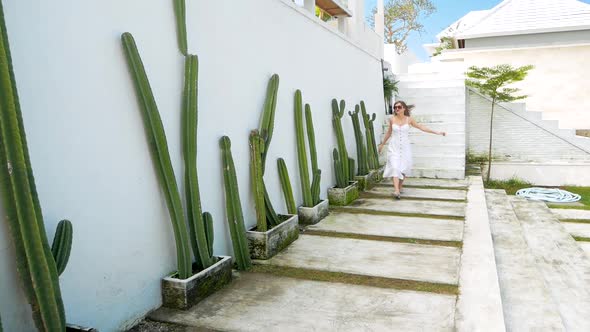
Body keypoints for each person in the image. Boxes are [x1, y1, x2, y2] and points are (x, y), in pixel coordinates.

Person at [378, 101, 446, 200]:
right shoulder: (392, 119)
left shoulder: (409, 120)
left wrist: (437, 132)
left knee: (404, 168)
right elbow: (389, 133)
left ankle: (399, 188)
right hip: (394, 147)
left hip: (405, 148)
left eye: (399, 107)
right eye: (395, 107)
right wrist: (382, 144)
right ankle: (396, 190)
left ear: (404, 108)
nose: (397, 109)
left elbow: (421, 127)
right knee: (395, 168)